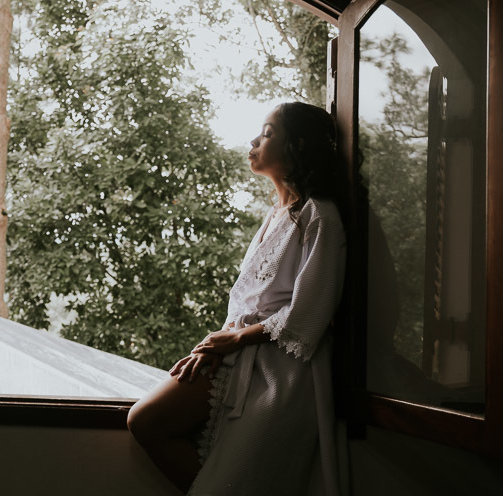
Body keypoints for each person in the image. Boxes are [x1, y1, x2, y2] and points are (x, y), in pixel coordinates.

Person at [127, 102, 347, 496]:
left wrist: (238, 339)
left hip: (281, 368)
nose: (254, 141)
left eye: (267, 133)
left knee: (150, 422)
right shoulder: (275, 216)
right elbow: (248, 299)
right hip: (239, 351)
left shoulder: (320, 215)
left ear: (296, 146)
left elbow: (311, 310)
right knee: (148, 421)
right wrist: (217, 344)